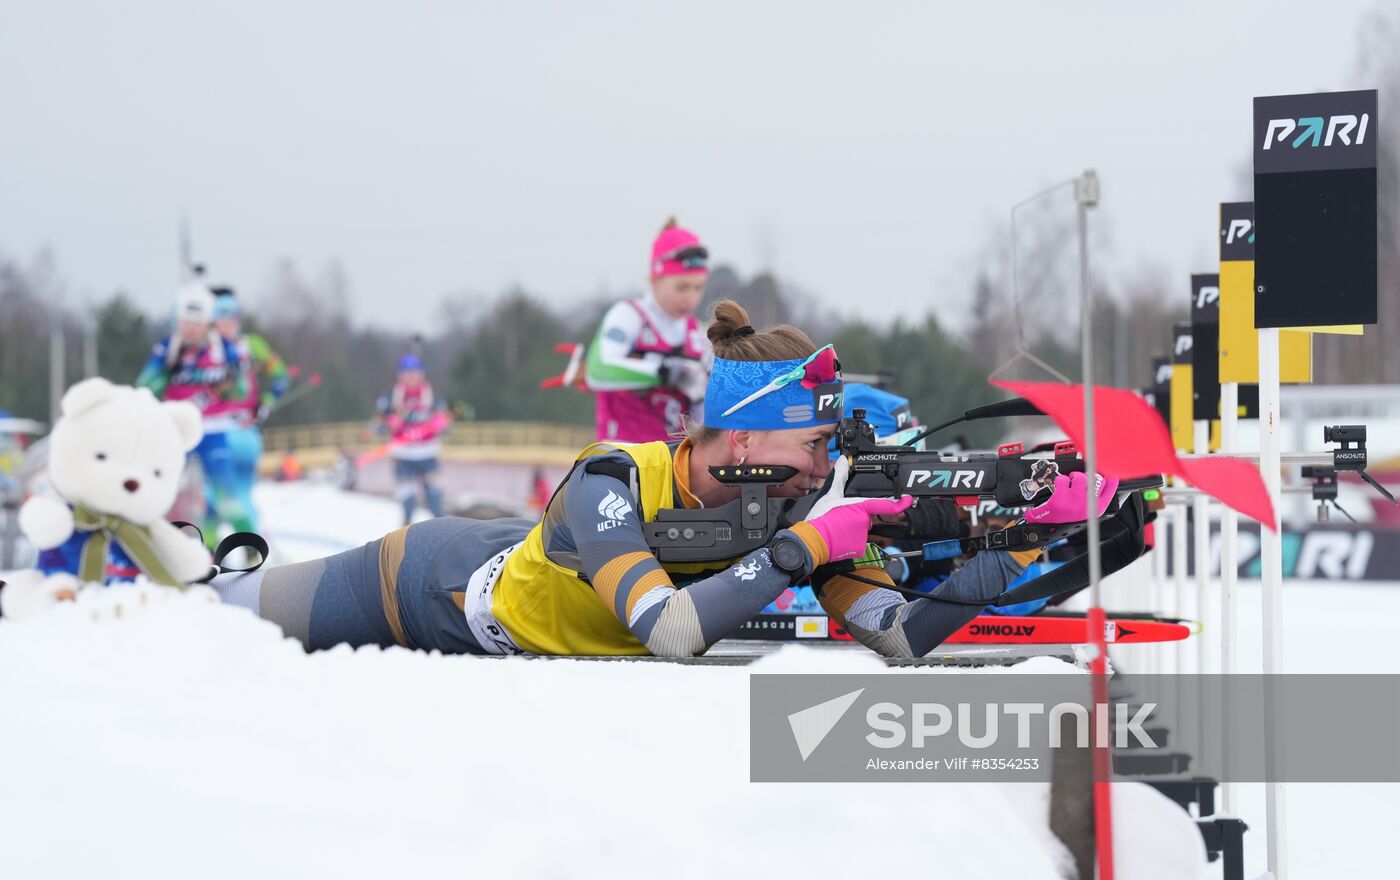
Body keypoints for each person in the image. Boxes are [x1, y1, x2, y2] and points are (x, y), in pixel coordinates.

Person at [211, 302, 1102, 659]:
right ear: (750, 433)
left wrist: (1014, 548)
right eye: (816, 443)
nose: (827, 465)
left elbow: (899, 636)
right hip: (414, 583)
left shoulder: (795, 504)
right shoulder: (611, 481)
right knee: (211, 610)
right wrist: (811, 544)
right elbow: (671, 632)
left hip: (509, 579)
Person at [136, 282, 248, 544]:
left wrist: (230, 386)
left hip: (213, 428)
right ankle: (156, 543)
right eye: (187, 323)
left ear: (208, 322)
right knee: (167, 485)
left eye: (197, 324)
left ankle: (245, 543)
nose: (192, 330)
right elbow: (145, 385)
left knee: (224, 491)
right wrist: (166, 372)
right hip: (177, 428)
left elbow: (241, 388)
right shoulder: (169, 347)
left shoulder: (222, 347)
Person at [584, 217, 712, 442]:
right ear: (656, 280)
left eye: (698, 288)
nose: (691, 297)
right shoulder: (629, 316)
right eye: (681, 287)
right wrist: (663, 372)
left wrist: (701, 395)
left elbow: (703, 421)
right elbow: (598, 370)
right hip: (622, 456)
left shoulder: (697, 334)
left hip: (671, 460)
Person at [207, 289, 291, 538]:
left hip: (226, 433)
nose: (225, 327)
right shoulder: (251, 344)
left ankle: (214, 553)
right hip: (245, 433)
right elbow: (280, 376)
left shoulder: (207, 349)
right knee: (239, 493)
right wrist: (265, 403)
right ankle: (250, 548)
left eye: (228, 321)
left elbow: (280, 376)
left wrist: (263, 402)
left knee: (213, 496)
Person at [378, 354, 448, 524]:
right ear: (400, 374)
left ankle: (443, 534)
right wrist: (390, 423)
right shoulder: (390, 397)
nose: (411, 376)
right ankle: (405, 537)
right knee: (407, 499)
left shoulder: (432, 395)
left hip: (427, 454)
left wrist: (440, 423)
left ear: (422, 374)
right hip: (402, 456)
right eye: (407, 372)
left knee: (434, 498)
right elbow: (377, 426)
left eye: (415, 372)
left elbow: (445, 422)